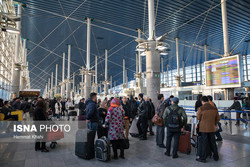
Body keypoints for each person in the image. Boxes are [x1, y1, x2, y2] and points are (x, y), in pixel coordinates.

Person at [196, 96, 220, 163]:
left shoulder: (201, 108)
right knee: (213, 142)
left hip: (203, 128)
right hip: (212, 128)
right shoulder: (214, 108)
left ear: (202, 101)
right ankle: (216, 156)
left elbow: (198, 118)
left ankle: (203, 158)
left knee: (204, 143)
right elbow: (218, 118)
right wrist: (213, 123)